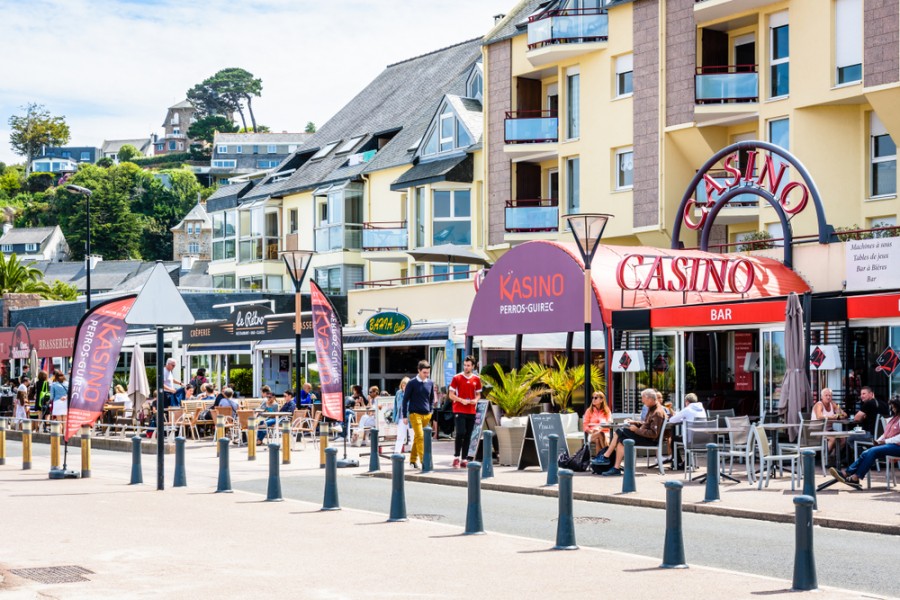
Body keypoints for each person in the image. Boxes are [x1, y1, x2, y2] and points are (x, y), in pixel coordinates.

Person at [592, 388, 666, 476]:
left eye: (643, 399)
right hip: (644, 437)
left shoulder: (657, 412)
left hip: (649, 440)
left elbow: (653, 434)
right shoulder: (652, 409)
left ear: (650, 399)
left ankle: (606, 456)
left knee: (620, 431)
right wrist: (634, 422)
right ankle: (616, 468)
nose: (642, 401)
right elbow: (646, 424)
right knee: (621, 440)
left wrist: (636, 430)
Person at [830, 396, 900, 489]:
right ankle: (852, 475)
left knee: (873, 451)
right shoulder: (894, 418)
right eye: (892, 406)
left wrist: (884, 441)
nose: (892, 408)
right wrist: (879, 440)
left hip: (897, 446)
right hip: (891, 445)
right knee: (867, 452)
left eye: (894, 406)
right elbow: (886, 433)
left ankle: (851, 475)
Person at [402, 360, 436, 469]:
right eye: (424, 372)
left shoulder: (430, 383)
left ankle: (412, 460)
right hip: (414, 414)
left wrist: (431, 411)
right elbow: (405, 399)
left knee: (417, 437)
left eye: (428, 372)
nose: (426, 375)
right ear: (419, 371)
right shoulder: (411, 383)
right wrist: (404, 415)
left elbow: (431, 399)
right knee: (421, 437)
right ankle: (424, 461)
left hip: (427, 414)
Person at [449, 355, 482, 468]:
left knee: (468, 435)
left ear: (473, 366)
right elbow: (451, 395)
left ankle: (464, 458)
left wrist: (475, 401)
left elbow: (478, 394)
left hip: (471, 410)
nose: (466, 367)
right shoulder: (456, 378)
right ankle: (456, 457)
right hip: (459, 408)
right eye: (465, 365)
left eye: (468, 365)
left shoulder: (476, 379)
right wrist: (461, 400)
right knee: (460, 432)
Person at [667, 392, 707, 470]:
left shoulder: (687, 409)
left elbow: (672, 420)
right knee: (681, 437)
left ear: (687, 402)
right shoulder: (702, 409)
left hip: (690, 440)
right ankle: (687, 462)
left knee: (673, 440)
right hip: (702, 438)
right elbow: (688, 417)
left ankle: (677, 463)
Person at [812, 387, 847, 462]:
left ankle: (832, 457)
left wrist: (839, 415)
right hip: (817, 431)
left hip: (828, 430)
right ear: (821, 397)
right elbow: (819, 416)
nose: (828, 397)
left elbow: (844, 414)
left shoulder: (833, 404)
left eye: (830, 395)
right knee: (833, 438)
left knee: (843, 439)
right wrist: (832, 417)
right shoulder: (819, 404)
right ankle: (824, 458)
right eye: (826, 395)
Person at [583, 391, 612, 455]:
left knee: (598, 440)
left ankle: (599, 460)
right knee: (599, 436)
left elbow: (609, 423)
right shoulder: (589, 411)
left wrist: (601, 429)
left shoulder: (607, 411)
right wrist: (591, 431)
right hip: (592, 434)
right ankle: (607, 456)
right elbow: (585, 425)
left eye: (595, 398)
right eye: (592, 398)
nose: (593, 399)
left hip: (605, 433)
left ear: (601, 400)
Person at [393, 377, 413, 454]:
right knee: (400, 436)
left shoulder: (413, 394)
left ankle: (414, 455)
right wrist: (395, 418)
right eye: (403, 385)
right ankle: (396, 453)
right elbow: (395, 406)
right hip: (401, 418)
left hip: (411, 418)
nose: (404, 387)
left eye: (406, 385)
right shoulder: (398, 393)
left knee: (413, 437)